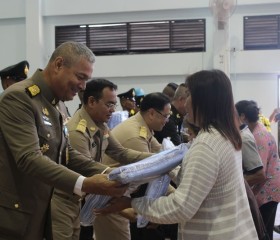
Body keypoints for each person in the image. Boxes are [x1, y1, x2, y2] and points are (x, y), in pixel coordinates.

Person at [96, 69, 258, 240]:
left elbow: (180, 207)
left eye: (188, 95)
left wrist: (131, 204)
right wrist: (166, 167)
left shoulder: (206, 145)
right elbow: (197, 181)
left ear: (203, 101)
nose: (184, 102)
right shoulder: (224, 135)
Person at [0, 41, 127, 240]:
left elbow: (67, 153)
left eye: (87, 79)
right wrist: (85, 184)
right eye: (80, 77)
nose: (83, 86)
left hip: (41, 214)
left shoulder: (57, 104)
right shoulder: (20, 98)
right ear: (59, 65)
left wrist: (109, 173)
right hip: (15, 219)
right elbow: (29, 158)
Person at [51, 78, 153, 240]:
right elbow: (87, 169)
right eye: (109, 104)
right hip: (64, 201)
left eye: (114, 105)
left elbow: (121, 152)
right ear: (91, 101)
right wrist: (119, 182)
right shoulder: (77, 131)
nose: (113, 110)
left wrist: (156, 160)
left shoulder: (100, 125)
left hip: (79, 200)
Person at [103, 92, 173, 240]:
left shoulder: (142, 126)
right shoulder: (135, 135)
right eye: (165, 116)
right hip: (111, 198)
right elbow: (152, 173)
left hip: (123, 193)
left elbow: (162, 157)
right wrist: (176, 196)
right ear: (152, 113)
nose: (167, 121)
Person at [236, 100, 280, 240]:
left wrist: (236, 184)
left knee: (262, 232)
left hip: (267, 190)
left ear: (242, 116)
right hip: (270, 188)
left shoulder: (257, 137)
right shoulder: (256, 130)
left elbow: (258, 173)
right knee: (265, 230)